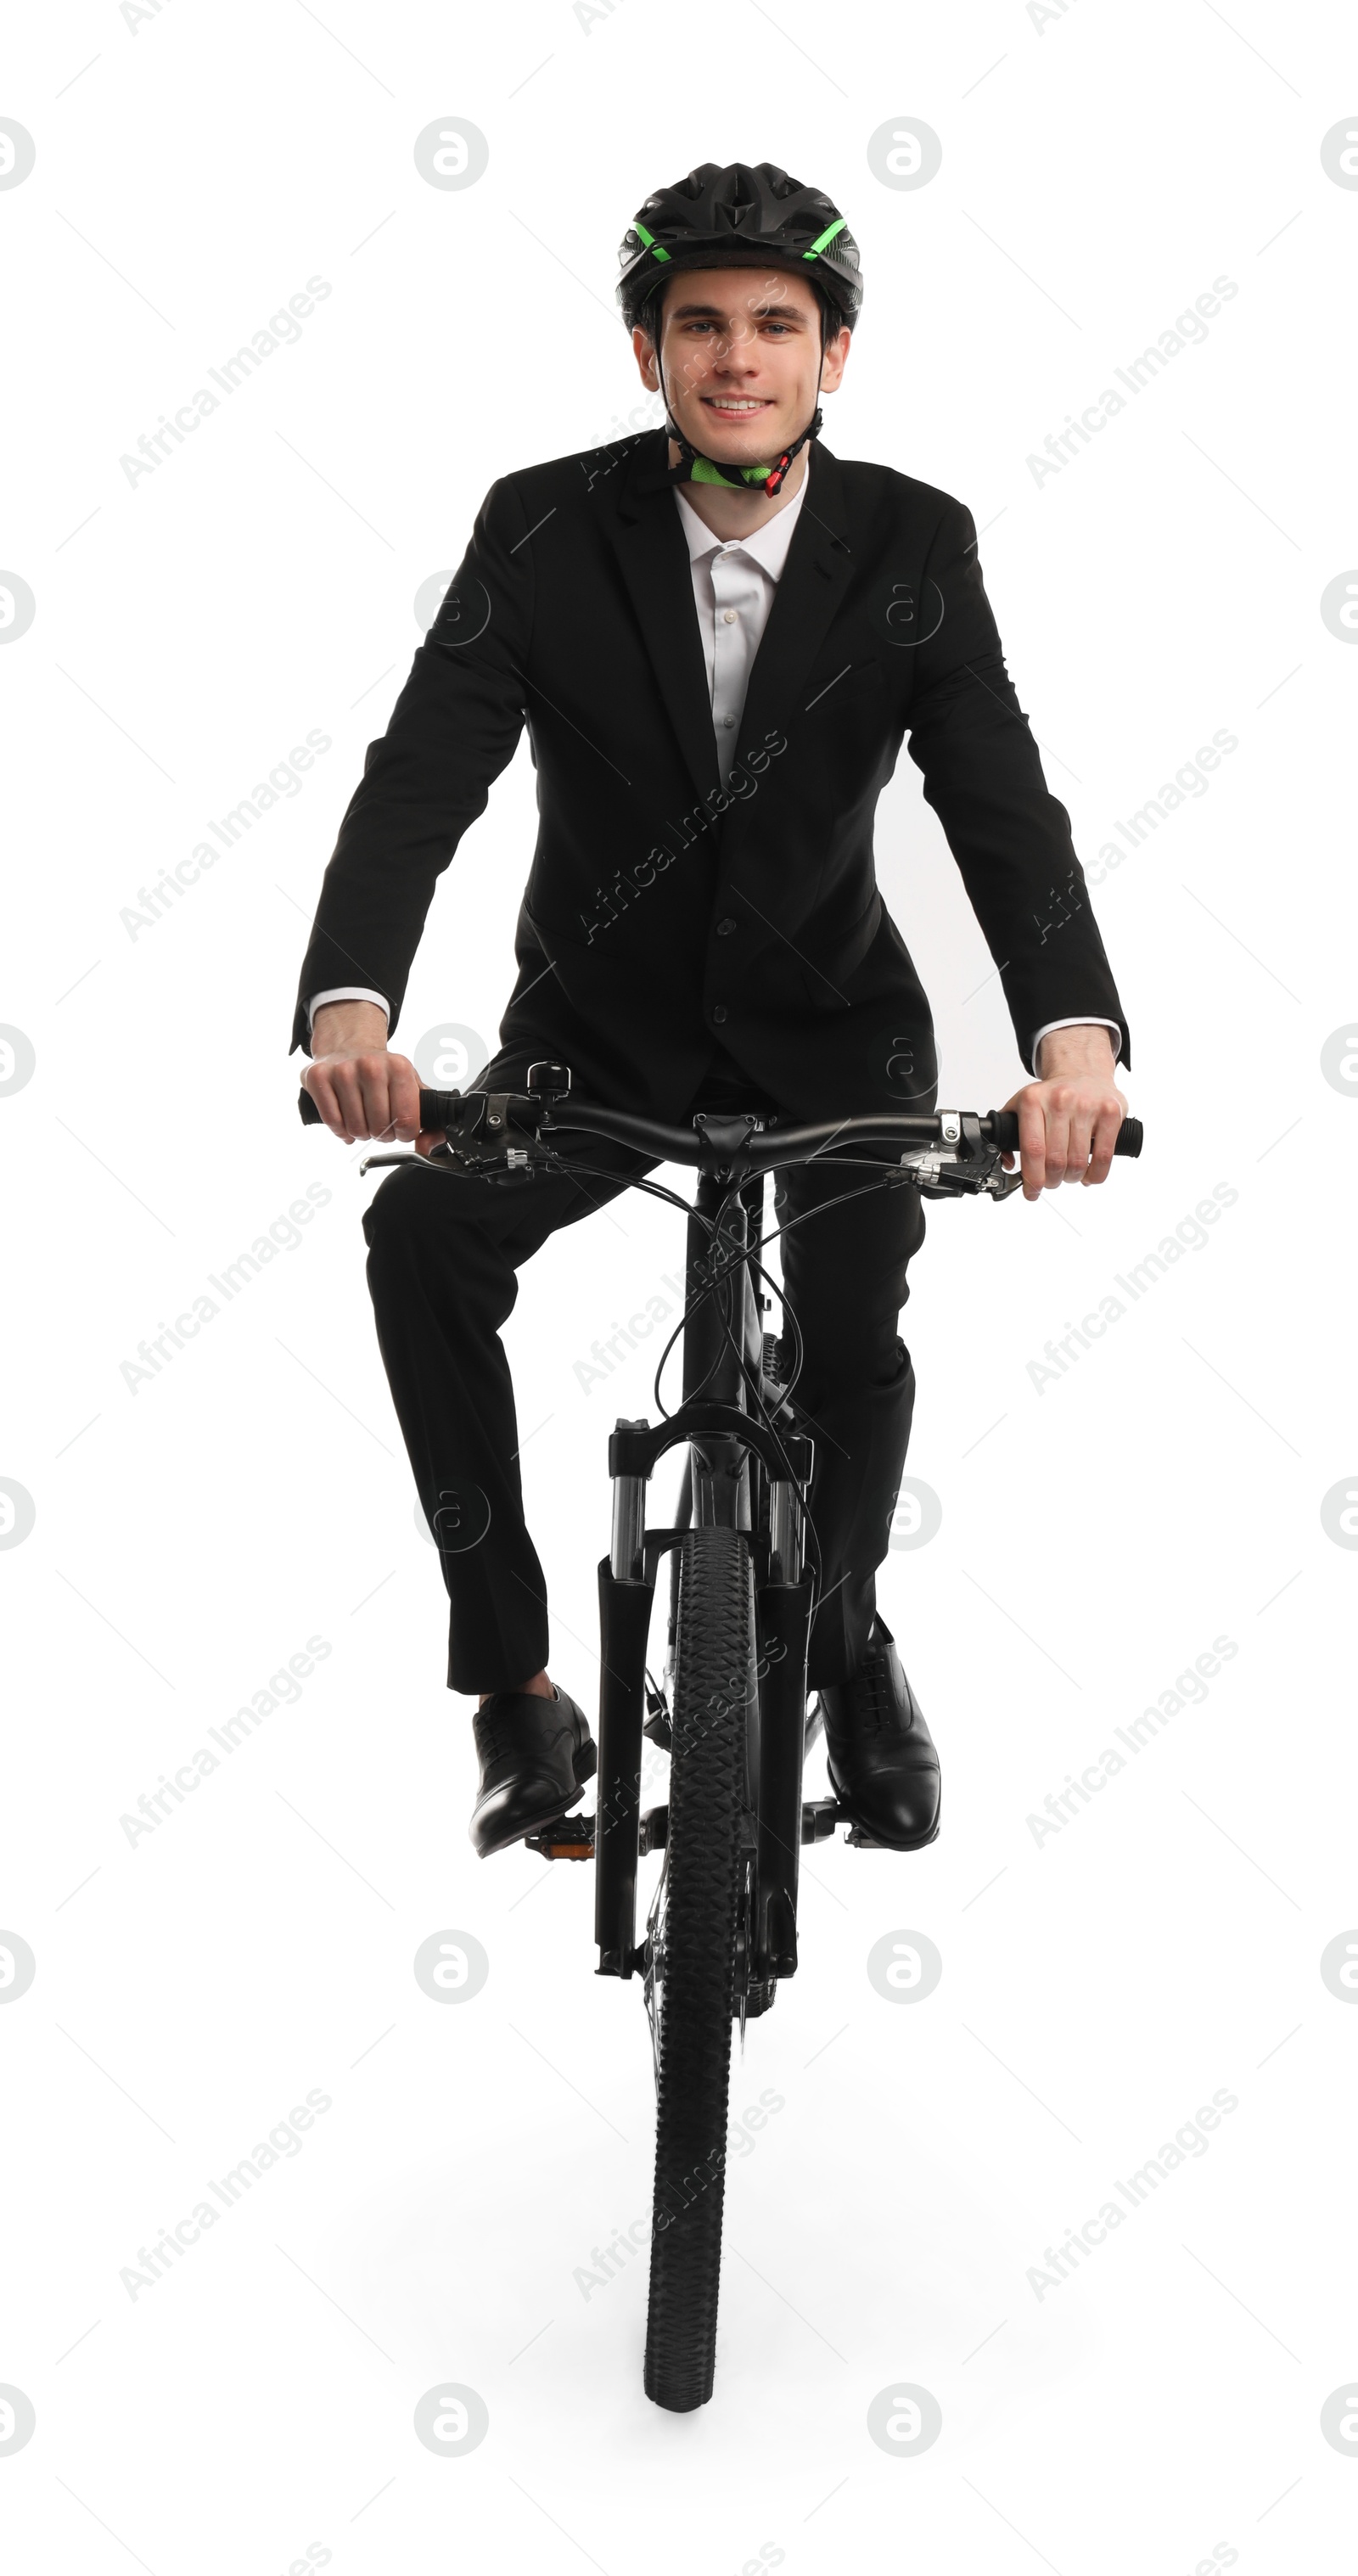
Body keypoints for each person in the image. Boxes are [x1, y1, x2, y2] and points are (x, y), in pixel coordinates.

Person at [293, 161, 1129, 1860]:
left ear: (833, 357)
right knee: (421, 1243)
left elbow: (998, 806)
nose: (734, 358)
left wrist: (1072, 1051)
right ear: (644, 350)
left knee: (847, 1340)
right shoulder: (538, 523)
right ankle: (516, 1688)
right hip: (589, 1038)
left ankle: (842, 1641)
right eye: (698, 326)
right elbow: (420, 779)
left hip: (834, 1040)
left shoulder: (911, 540)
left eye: (773, 326)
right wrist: (351, 1011)